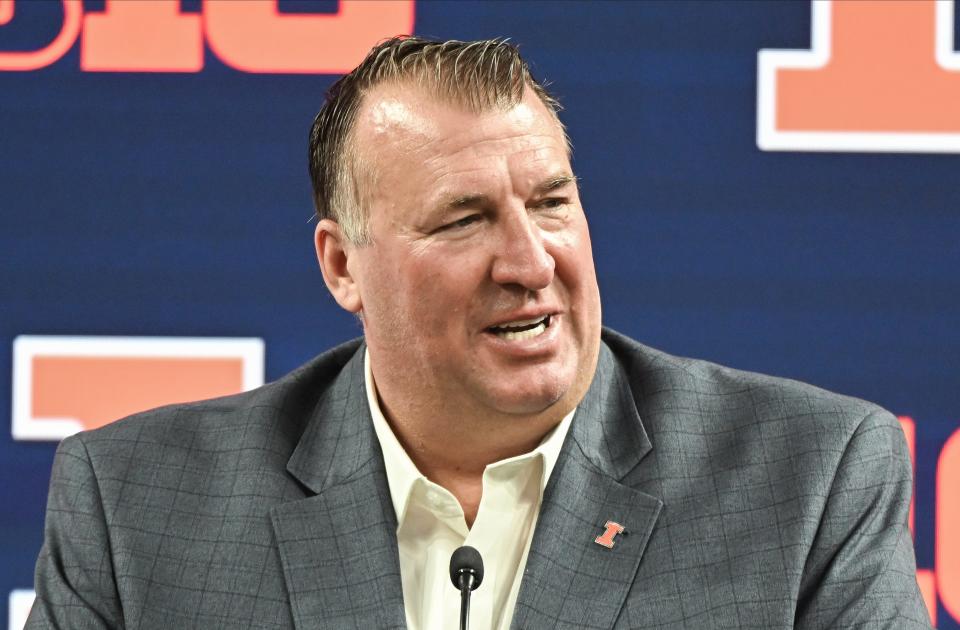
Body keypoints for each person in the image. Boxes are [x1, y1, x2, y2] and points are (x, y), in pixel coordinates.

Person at [27, 37, 930, 630]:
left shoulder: (809, 479)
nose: (530, 261)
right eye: (463, 220)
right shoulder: (136, 508)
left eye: (551, 203)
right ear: (343, 266)